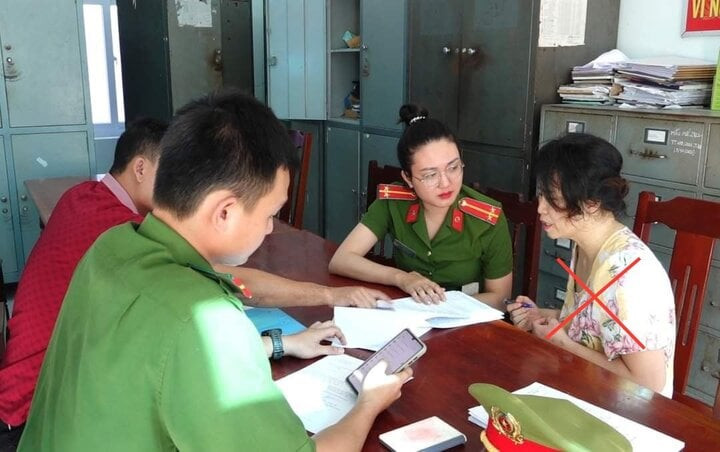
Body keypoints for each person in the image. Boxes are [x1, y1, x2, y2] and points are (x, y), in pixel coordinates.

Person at [18, 91, 412, 451]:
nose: (270, 228)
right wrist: (368, 402)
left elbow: (157, 357)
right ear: (224, 212)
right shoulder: (206, 319)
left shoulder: (113, 245)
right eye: (271, 214)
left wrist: (281, 344)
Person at [0, 117, 167, 448]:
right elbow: (206, 270)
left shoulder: (80, 196)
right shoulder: (122, 227)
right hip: (29, 416)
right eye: (174, 173)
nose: (180, 187)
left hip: (15, 387)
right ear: (140, 168)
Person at [508, 133, 675, 397]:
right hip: (584, 387)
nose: (540, 208)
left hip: (627, 412)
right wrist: (540, 315)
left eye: (552, 198)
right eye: (541, 195)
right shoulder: (587, 246)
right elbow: (595, 323)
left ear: (592, 203)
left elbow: (648, 384)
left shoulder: (631, 275)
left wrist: (563, 343)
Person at [329, 104, 513, 309]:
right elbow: (341, 260)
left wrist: (441, 307)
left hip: (467, 318)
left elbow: (500, 298)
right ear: (408, 178)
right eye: (430, 175)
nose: (445, 183)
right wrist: (401, 278)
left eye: (453, 167)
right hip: (409, 312)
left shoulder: (488, 218)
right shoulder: (394, 202)